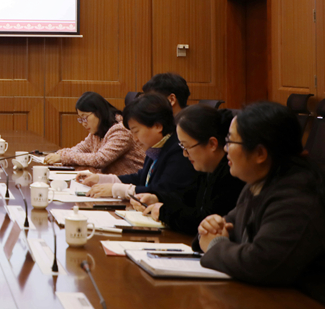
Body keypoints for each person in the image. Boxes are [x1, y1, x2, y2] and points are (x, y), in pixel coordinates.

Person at [197, 102, 325, 309]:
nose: (225, 149)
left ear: (260, 153)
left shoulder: (299, 196)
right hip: (291, 295)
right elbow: (227, 229)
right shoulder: (259, 184)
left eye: (230, 141)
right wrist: (208, 228)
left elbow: (259, 264)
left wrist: (215, 245)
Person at [130, 104, 244, 234]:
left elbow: (204, 221)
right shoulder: (205, 170)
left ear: (212, 144)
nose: (184, 154)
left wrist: (164, 212)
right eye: (182, 147)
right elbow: (186, 198)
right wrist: (157, 198)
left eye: (187, 147)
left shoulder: (232, 175)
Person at [81, 92, 195, 199]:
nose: (135, 138)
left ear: (157, 126)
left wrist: (117, 190)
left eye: (136, 131)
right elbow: (141, 178)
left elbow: (161, 191)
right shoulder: (155, 148)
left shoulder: (178, 151)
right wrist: (101, 179)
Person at [44, 92, 144, 175]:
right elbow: (82, 148)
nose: (83, 123)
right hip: (111, 183)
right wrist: (60, 153)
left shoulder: (121, 130)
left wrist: (64, 157)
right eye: (81, 119)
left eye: (85, 117)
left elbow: (100, 159)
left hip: (132, 184)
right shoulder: (99, 129)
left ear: (99, 112)